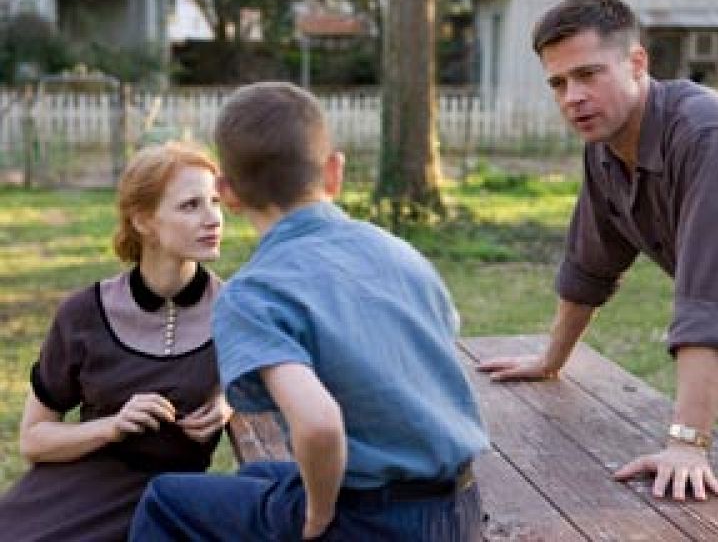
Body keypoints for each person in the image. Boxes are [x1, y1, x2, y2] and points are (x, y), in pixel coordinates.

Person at [129, 82, 489, 541]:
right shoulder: (400, 254)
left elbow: (318, 425)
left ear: (228, 193)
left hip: (374, 522)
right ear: (334, 171)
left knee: (166, 500)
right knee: (258, 478)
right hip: (457, 505)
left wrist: (317, 516)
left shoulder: (254, 294)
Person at [478, 0, 718, 502]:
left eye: (588, 74)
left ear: (636, 63)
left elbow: (709, 297)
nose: (572, 97)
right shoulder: (604, 151)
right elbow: (590, 266)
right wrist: (551, 358)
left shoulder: (705, 131)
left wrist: (687, 444)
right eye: (558, 83)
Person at [0, 143, 231, 541]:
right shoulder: (83, 314)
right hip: (68, 492)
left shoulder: (236, 314)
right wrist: (113, 426)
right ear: (143, 221)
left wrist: (231, 399)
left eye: (215, 202)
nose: (213, 219)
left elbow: (282, 390)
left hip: (164, 503)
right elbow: (33, 439)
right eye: (191, 206)